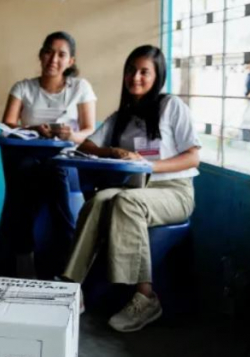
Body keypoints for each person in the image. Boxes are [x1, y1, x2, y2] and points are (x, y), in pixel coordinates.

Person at [61, 45, 200, 333]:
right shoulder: (122, 116)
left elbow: (193, 156)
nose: (135, 77)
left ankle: (145, 297)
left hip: (174, 191)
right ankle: (72, 289)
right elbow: (85, 145)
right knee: (100, 199)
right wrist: (113, 151)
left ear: (157, 75)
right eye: (131, 70)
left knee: (126, 203)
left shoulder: (171, 106)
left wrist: (149, 166)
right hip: (136, 190)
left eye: (144, 72)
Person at [0, 31, 97, 277]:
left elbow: (89, 129)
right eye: (49, 52)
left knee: (57, 171)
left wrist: (69, 136)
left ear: (71, 61)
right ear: (40, 55)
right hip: (27, 159)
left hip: (66, 159)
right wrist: (33, 128)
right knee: (25, 173)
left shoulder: (80, 88)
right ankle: (24, 259)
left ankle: (66, 265)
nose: (54, 59)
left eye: (62, 54)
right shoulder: (23, 87)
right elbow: (8, 124)